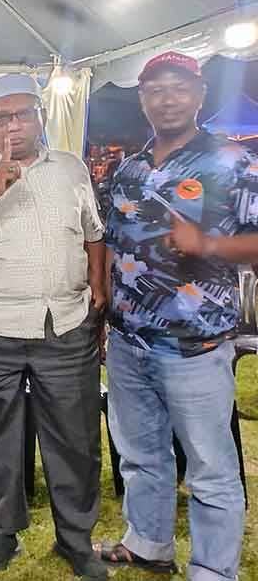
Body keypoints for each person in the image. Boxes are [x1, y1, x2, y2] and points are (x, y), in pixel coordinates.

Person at [97, 51, 253, 580]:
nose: (168, 99)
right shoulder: (129, 168)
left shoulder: (233, 162)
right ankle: (148, 544)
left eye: (180, 88)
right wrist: (105, 310)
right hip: (128, 342)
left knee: (210, 468)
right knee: (140, 455)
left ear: (200, 95)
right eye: (156, 89)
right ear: (142, 99)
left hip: (196, 346)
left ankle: (213, 570)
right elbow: (113, 243)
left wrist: (208, 243)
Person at [0, 74, 108, 580]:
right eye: (2, 118)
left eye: (23, 115)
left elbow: (93, 233)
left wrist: (98, 287)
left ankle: (75, 539)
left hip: (64, 323)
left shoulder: (71, 168)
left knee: (75, 437)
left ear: (40, 116)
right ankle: (4, 532)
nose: (13, 126)